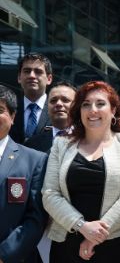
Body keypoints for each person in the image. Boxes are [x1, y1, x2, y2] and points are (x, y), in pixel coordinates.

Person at [42, 81, 120, 263]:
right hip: (67, 245)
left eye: (100, 104)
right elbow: (50, 194)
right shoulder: (61, 144)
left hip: (117, 245)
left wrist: (96, 235)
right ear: (79, 111)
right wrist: (83, 227)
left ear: (113, 110)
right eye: (86, 104)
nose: (93, 110)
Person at [0, 85, 48, 263]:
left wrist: (4, 255)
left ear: (12, 117)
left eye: (0, 110)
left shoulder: (34, 160)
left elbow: (35, 218)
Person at [9, 53, 53, 143]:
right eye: (27, 71)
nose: (32, 76)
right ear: (19, 77)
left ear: (49, 79)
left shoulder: (59, 109)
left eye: (38, 71)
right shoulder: (8, 110)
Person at [25, 81, 77, 152]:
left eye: (65, 100)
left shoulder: (91, 139)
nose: (58, 104)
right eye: (53, 101)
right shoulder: (31, 145)